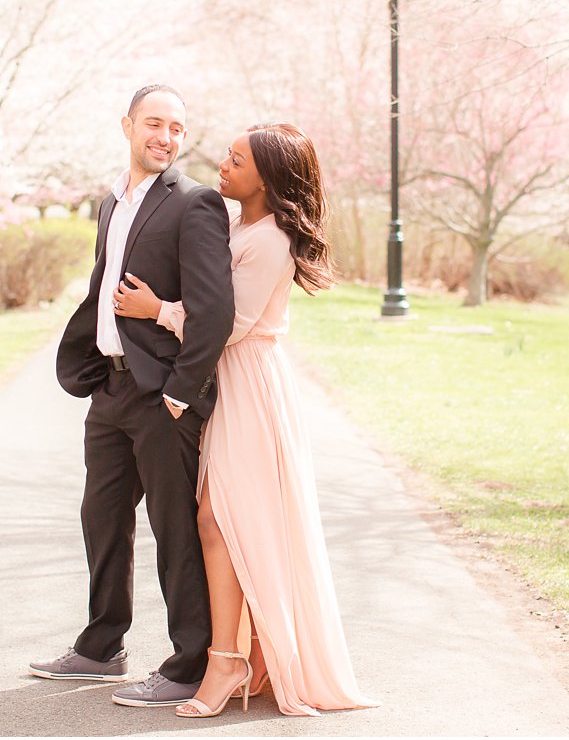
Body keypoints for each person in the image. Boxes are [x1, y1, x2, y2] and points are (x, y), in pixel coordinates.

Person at [114, 122, 378, 718]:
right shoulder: (240, 227)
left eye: (237, 161)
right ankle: (238, 654)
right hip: (225, 379)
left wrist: (158, 311)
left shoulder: (272, 240)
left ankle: (226, 659)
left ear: (268, 177)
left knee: (220, 518)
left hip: (248, 381)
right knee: (224, 519)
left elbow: (230, 324)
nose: (223, 168)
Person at [32, 85, 234, 708]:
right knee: (102, 519)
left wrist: (180, 394)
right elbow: (102, 287)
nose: (165, 137)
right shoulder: (110, 202)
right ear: (127, 126)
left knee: (173, 530)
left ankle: (188, 663)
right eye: (154, 123)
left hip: (163, 399)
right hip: (112, 391)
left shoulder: (195, 204)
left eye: (176, 127)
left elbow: (215, 312)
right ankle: (100, 647)